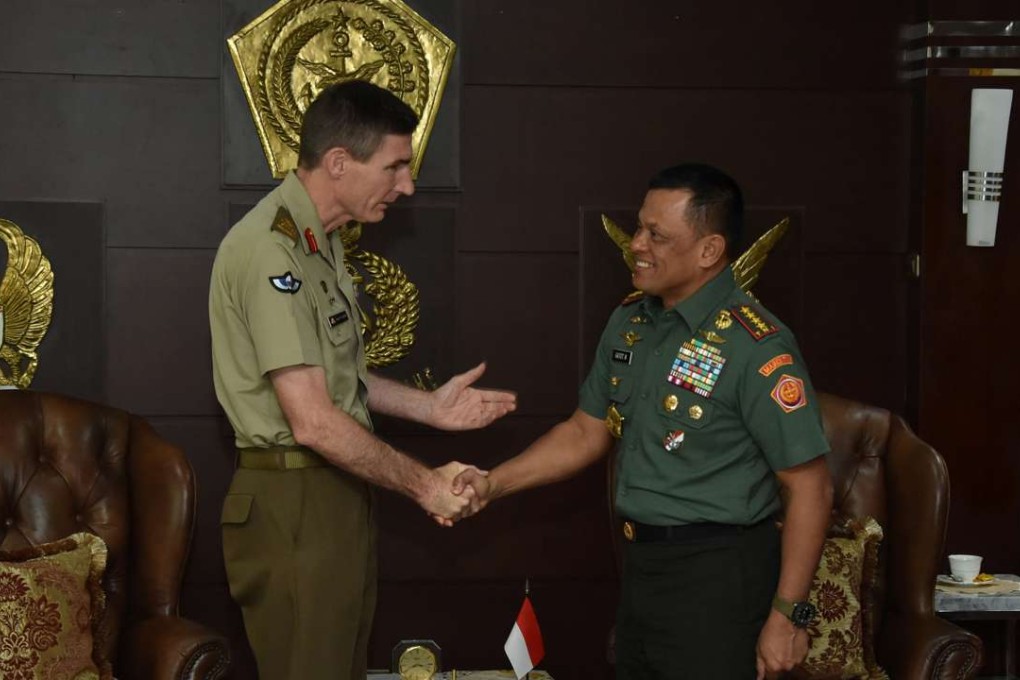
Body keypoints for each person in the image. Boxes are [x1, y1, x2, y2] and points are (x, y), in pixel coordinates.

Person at [453, 163, 833, 679]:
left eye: (657, 234)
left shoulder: (756, 345)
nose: (636, 244)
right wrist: (492, 484)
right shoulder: (630, 321)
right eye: (639, 227)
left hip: (719, 577)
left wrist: (789, 617)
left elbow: (809, 487)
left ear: (709, 251)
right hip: (642, 570)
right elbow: (586, 431)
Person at [209, 80, 516, 680]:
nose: (407, 185)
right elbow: (314, 420)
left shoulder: (317, 243)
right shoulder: (273, 252)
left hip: (331, 497)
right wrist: (425, 484)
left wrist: (429, 408)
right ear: (340, 163)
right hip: (295, 506)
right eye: (395, 166)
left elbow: (335, 381)